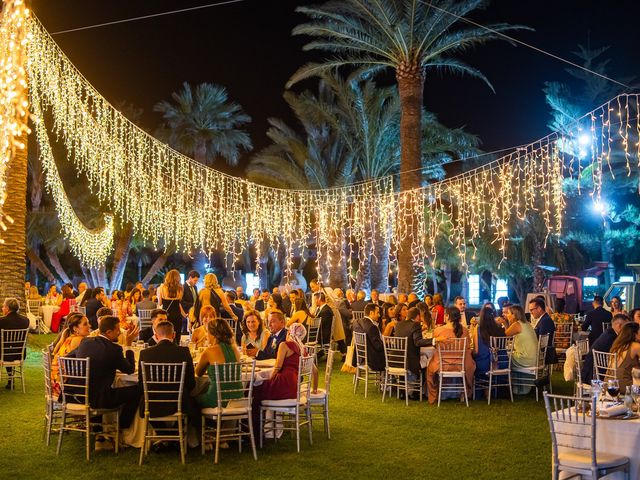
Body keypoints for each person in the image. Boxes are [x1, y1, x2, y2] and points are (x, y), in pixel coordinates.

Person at [69, 316, 140, 432]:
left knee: (98, 384)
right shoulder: (114, 349)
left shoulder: (85, 342)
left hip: (75, 395)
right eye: (118, 330)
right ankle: (122, 427)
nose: (120, 333)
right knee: (139, 389)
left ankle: (97, 427)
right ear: (109, 332)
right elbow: (130, 369)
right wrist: (128, 344)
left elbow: (68, 358)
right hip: (98, 399)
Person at [251, 323, 318, 431]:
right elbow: (315, 371)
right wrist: (314, 389)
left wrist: (270, 380)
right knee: (259, 389)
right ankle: (271, 427)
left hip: (283, 382)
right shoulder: (303, 349)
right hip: (293, 386)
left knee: (254, 391)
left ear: (289, 332)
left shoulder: (285, 345)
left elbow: (277, 367)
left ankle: (258, 430)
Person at [138, 321, 196, 418]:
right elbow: (191, 383)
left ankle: (162, 431)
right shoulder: (184, 352)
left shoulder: (145, 353)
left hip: (152, 404)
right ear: (174, 335)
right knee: (195, 404)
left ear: (156, 336)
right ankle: (177, 430)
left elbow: (141, 385)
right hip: (180, 402)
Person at [427, 307, 475, 403]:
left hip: (442, 365)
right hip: (461, 365)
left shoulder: (438, 330)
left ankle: (435, 395)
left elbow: (435, 346)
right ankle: (463, 393)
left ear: (447, 316)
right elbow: (468, 347)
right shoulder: (465, 330)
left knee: (429, 368)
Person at [196, 317, 242, 409]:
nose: (206, 335)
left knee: (191, 399)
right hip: (238, 397)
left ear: (213, 334)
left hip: (217, 399)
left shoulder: (209, 351)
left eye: (207, 332)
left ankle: (198, 423)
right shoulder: (235, 350)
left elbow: (198, 373)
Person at [581, 313, 631, 385]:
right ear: (619, 326)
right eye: (626, 327)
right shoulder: (612, 337)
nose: (628, 331)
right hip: (596, 375)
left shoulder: (609, 332)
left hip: (593, 371)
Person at [498, 305, 538, 394]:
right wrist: (505, 323)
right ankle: (513, 385)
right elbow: (508, 334)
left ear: (514, 315)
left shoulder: (517, 324)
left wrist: (502, 323)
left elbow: (504, 336)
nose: (506, 315)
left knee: (501, 358)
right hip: (533, 358)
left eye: (508, 313)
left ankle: (502, 388)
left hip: (524, 358)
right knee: (506, 355)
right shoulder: (526, 323)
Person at [50, 313, 91, 395]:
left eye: (88, 323)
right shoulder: (79, 340)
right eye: (85, 324)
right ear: (76, 328)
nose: (89, 326)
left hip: (56, 382)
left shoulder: (71, 338)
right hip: (64, 385)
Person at [394, 307, 431, 389]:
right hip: (410, 362)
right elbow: (418, 342)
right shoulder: (416, 324)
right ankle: (419, 389)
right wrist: (434, 340)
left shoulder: (399, 324)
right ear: (418, 316)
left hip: (396, 360)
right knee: (429, 360)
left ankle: (406, 388)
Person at [472, 305, 505, 391]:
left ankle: (478, 391)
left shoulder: (478, 329)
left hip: (484, 364)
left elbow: (476, 351)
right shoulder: (499, 329)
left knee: (471, 362)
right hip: (499, 363)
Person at [0, 298, 29, 389]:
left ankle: (10, 380)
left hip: (3, 354)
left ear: (8, 308)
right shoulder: (25, 320)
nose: (2, 308)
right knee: (8, 348)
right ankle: (10, 380)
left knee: (6, 348)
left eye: (3, 306)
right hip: (19, 354)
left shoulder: (2, 321)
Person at [351, 303, 385, 372]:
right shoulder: (372, 327)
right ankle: (392, 381)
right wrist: (388, 344)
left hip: (360, 357)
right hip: (373, 361)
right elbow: (378, 346)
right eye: (377, 313)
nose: (379, 315)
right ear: (371, 313)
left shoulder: (357, 322)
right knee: (395, 357)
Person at [157, 269, 186, 344]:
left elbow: (160, 303)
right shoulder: (181, 288)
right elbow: (178, 303)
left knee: (165, 335)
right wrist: (184, 314)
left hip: (166, 315)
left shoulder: (162, 287)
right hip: (177, 315)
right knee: (176, 336)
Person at [610, 322, 640, 391]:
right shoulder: (635, 346)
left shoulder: (617, 345)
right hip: (625, 386)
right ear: (634, 334)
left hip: (610, 384)